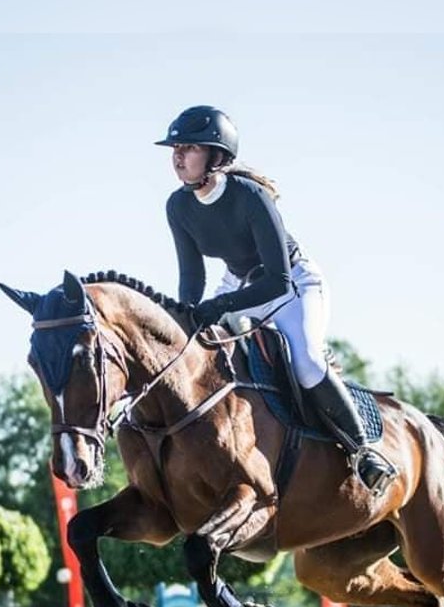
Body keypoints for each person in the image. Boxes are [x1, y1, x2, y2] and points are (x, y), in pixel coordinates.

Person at [156, 105, 397, 495]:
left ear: (216, 156)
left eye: (188, 148)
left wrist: (218, 307)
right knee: (201, 353)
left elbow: (277, 279)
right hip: (237, 284)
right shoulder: (177, 206)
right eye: (175, 149)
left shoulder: (249, 196)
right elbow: (192, 275)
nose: (177, 157)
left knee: (305, 361)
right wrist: (187, 316)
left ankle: (363, 452)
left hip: (293, 286)